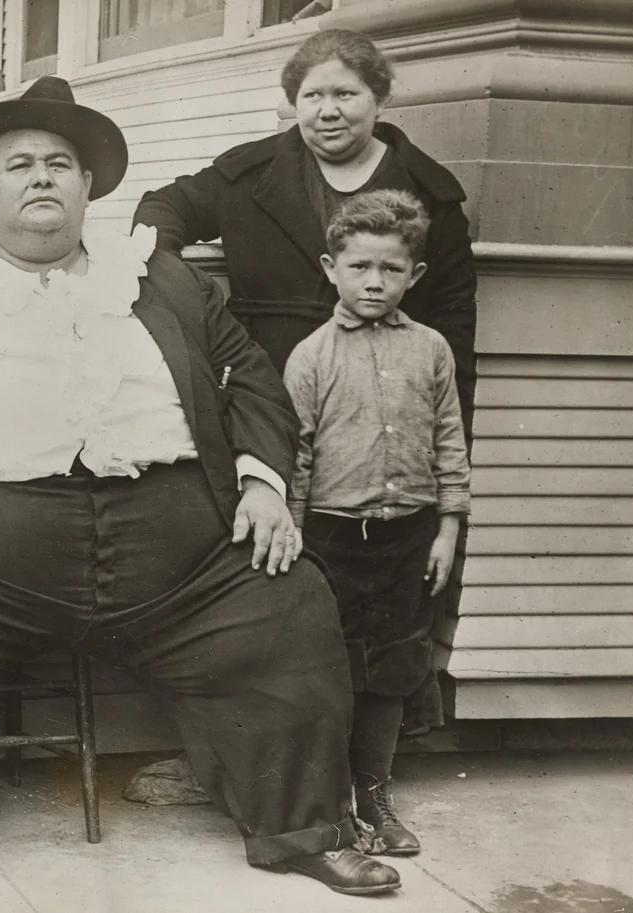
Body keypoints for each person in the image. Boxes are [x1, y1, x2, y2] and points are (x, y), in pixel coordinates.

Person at [0, 76, 402, 906]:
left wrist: (264, 482)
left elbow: (253, 386)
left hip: (177, 549)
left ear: (89, 185)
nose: (42, 177)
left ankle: (308, 829)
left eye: (61, 162)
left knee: (288, 603)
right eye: (18, 164)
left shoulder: (162, 280)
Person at [133, 26, 477, 737]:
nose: (327, 110)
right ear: (293, 104)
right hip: (269, 399)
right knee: (266, 563)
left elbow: (453, 330)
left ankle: (374, 755)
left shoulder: (430, 193)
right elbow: (163, 211)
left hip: (381, 420)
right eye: (311, 95)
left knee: (385, 589)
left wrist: (441, 457)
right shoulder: (247, 173)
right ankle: (261, 739)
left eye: (345, 93)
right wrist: (172, 291)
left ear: (377, 99)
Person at [284, 189, 472, 856]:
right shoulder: (311, 355)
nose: (374, 281)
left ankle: (375, 792)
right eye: (360, 265)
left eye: (390, 269)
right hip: (331, 536)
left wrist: (448, 527)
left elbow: (451, 440)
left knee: (393, 666)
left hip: (410, 536)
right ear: (331, 266)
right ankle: (332, 800)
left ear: (414, 275)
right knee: (330, 667)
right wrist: (297, 540)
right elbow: (296, 454)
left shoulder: (432, 350)